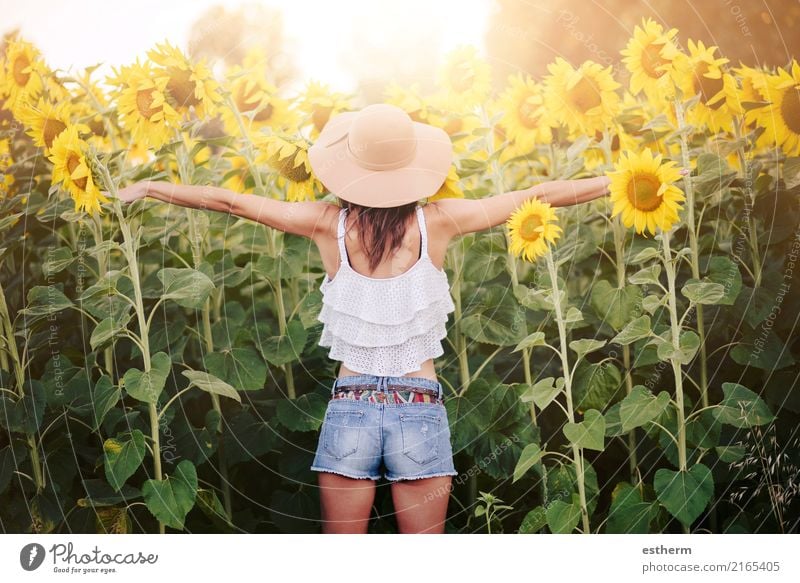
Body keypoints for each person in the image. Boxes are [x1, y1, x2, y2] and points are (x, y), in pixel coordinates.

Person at [109, 103, 611, 535]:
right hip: (419, 404)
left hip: (351, 406)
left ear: (349, 169)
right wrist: (616, 180)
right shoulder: (436, 222)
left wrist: (151, 187)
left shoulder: (327, 224)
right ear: (413, 168)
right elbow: (538, 194)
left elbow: (229, 202)